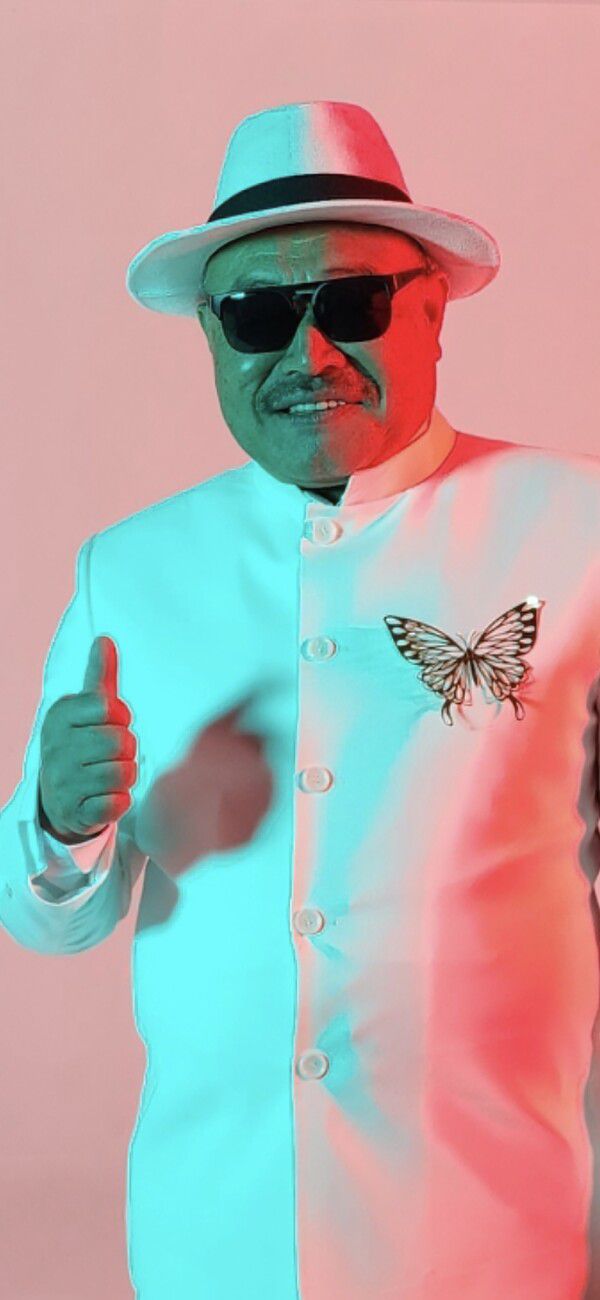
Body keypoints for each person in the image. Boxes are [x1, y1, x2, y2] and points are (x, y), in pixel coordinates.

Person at [1, 99, 599, 1300]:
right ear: (214, 341)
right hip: (215, 1240)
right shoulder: (130, 571)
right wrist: (63, 823)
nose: (309, 355)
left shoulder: (577, 530)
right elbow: (49, 917)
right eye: (259, 317)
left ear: (432, 309)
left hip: (497, 1237)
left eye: (354, 304)